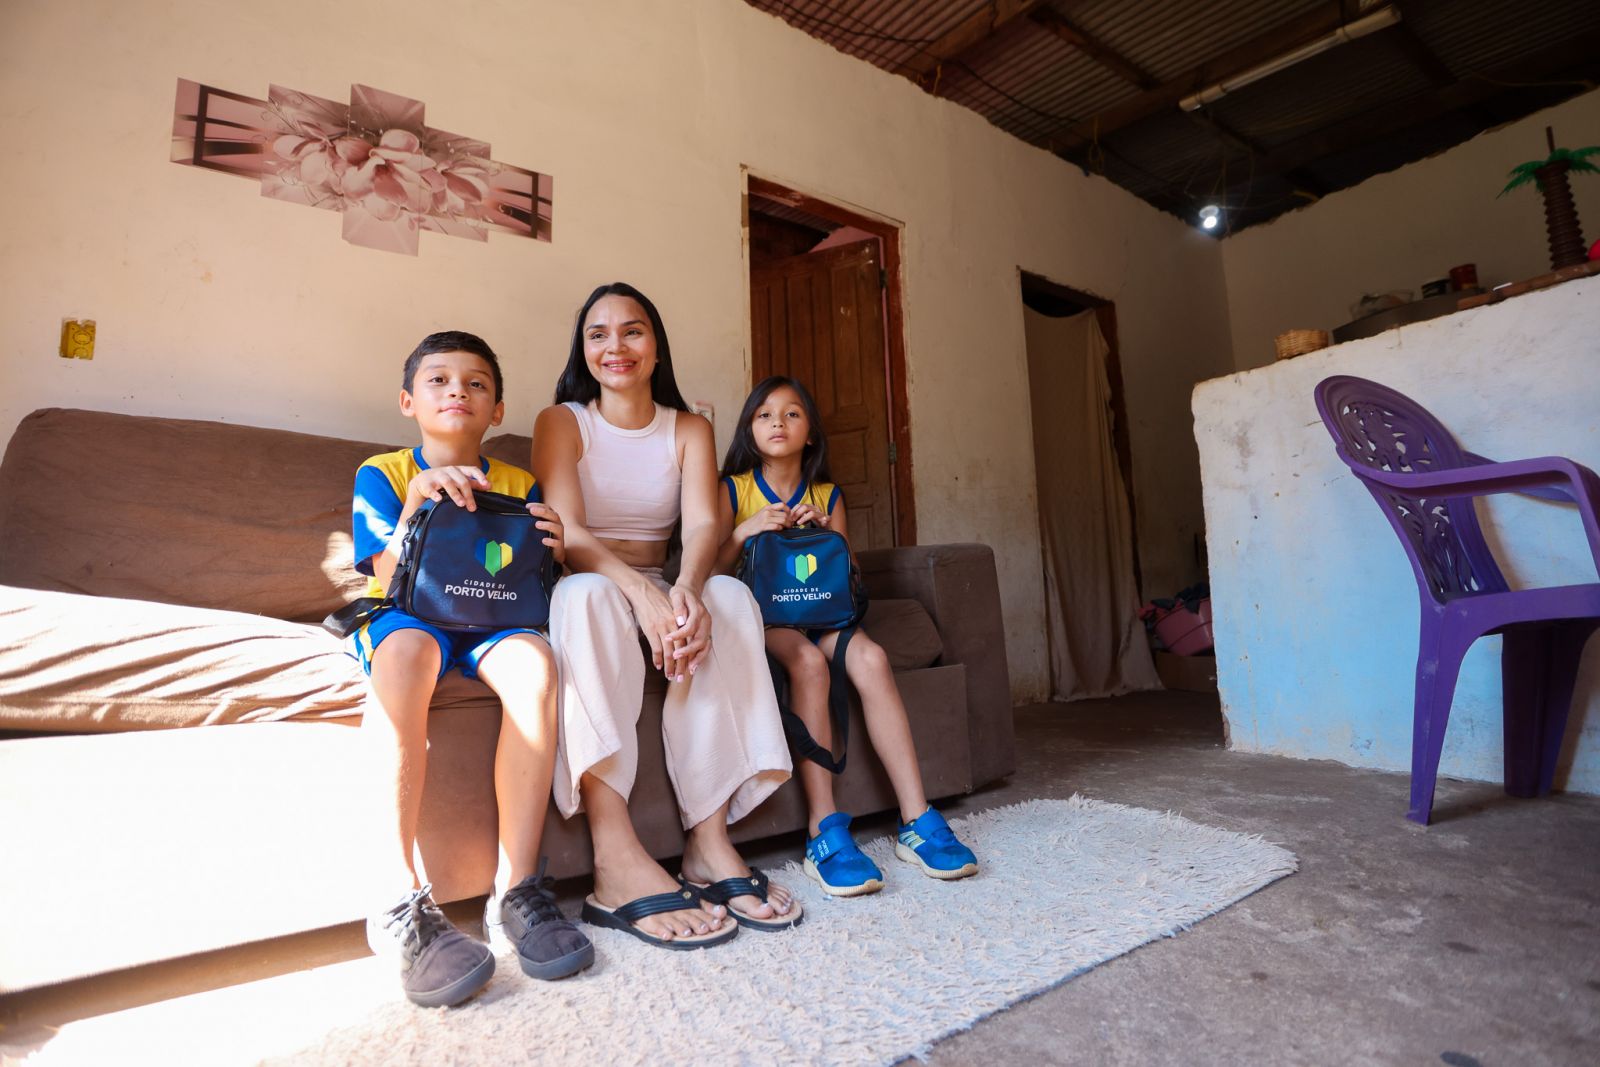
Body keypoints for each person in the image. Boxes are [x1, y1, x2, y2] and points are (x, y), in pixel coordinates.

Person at [531, 283, 800, 950]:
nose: (615, 346)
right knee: (587, 597)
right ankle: (614, 857)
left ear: (656, 347)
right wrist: (641, 595)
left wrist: (684, 590)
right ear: (583, 349)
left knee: (730, 597)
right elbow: (567, 530)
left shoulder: (689, 428)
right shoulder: (562, 421)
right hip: (589, 581)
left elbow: (705, 524)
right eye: (598, 334)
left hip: (663, 577)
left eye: (632, 331)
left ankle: (708, 841)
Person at [350, 331, 591, 1007]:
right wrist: (415, 504)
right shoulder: (382, 472)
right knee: (406, 653)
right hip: (409, 612)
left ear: (497, 409)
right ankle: (396, 899)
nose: (457, 390)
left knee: (537, 666)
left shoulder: (518, 482)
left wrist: (555, 547)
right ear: (408, 401)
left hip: (492, 620)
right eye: (439, 379)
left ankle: (516, 889)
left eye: (476, 383)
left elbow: (532, 578)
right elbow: (387, 576)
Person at [714, 375, 979, 897]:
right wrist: (747, 529)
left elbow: (849, 576)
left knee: (873, 659)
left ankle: (916, 819)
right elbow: (712, 570)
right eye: (765, 415)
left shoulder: (828, 494)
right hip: (765, 620)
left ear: (810, 432)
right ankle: (824, 830)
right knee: (808, 664)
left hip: (824, 614)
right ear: (749, 430)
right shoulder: (734, 489)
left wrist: (824, 532)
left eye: (792, 413)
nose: (778, 423)